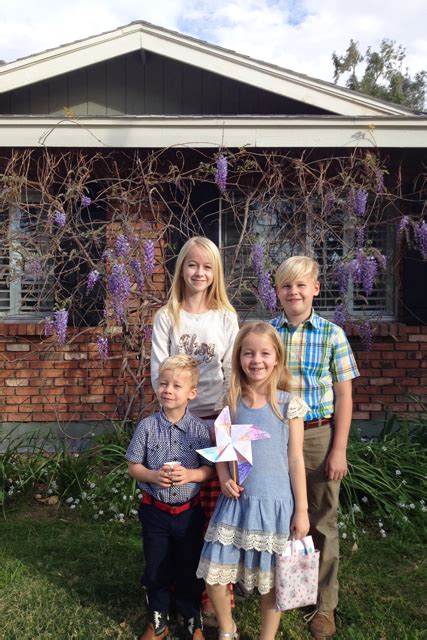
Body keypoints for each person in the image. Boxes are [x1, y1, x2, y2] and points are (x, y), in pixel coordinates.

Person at [197, 321, 310, 640]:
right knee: (215, 574)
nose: (256, 360)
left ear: (277, 358)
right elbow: (223, 451)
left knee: (272, 581)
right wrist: (223, 478)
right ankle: (228, 629)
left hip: (275, 505)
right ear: (239, 358)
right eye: (248, 353)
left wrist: (301, 510)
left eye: (264, 353)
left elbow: (296, 459)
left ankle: (267, 636)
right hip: (235, 502)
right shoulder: (231, 401)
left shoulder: (289, 405)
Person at [151, 236, 240, 625]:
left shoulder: (225, 316)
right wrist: (173, 416)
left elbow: (234, 373)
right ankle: (174, 586)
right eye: (192, 265)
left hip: (217, 421)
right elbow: (158, 371)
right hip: (179, 423)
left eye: (207, 266)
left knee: (215, 511)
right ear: (181, 269)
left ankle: (214, 594)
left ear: (215, 271)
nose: (199, 273)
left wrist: (233, 424)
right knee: (179, 506)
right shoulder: (167, 315)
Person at [271, 256, 360, 640]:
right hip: (275, 434)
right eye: (286, 286)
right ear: (277, 292)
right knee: (276, 513)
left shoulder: (331, 334)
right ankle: (275, 587)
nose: (294, 292)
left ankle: (323, 605)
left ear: (316, 289)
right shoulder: (267, 332)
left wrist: (338, 449)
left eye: (301, 285)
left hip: (317, 434)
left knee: (322, 520)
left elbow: (344, 396)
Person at [126, 355, 215, 640]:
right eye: (163, 383)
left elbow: (209, 470)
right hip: (155, 511)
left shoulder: (200, 430)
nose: (168, 390)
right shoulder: (147, 427)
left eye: (177, 385)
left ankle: (191, 617)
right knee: (156, 565)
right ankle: (158, 617)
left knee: (189, 566)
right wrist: (152, 476)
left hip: (189, 512)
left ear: (191, 393)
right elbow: (133, 466)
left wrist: (191, 476)